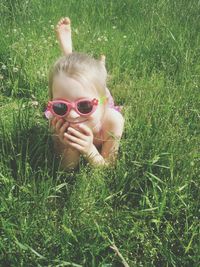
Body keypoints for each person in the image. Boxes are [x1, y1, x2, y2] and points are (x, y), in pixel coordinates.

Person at [45, 17, 124, 169]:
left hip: (102, 99)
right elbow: (67, 169)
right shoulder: (57, 121)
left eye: (85, 106)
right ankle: (69, 56)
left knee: (100, 85)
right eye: (61, 106)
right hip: (94, 98)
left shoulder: (113, 121)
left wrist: (89, 150)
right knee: (77, 79)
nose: (72, 115)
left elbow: (108, 168)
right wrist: (67, 144)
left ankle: (100, 69)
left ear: (103, 104)